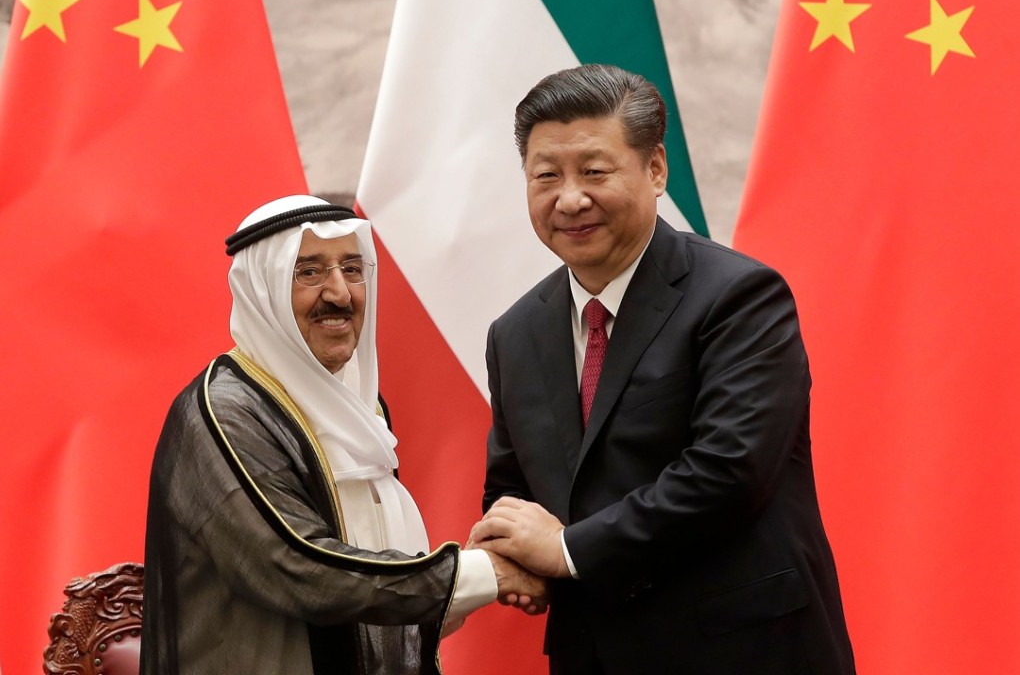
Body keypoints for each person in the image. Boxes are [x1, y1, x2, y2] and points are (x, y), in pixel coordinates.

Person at [469, 65, 855, 673]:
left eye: (594, 171)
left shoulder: (741, 297)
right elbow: (511, 486)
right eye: (547, 175)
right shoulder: (514, 333)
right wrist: (510, 554)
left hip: (741, 650)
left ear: (655, 169)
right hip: (592, 652)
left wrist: (566, 551)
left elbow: (727, 475)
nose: (570, 198)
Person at [140, 195, 545, 675]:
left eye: (353, 270)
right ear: (263, 291)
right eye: (309, 272)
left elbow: (375, 601)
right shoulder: (224, 412)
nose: (340, 293)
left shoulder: (361, 409)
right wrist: (480, 573)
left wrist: (469, 576)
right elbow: (302, 570)